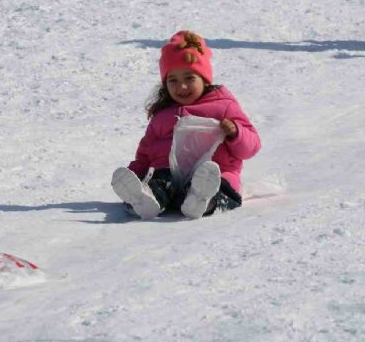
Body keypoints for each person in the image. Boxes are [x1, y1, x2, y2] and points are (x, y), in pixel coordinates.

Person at [111, 30, 261, 220]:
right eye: (173, 80)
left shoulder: (223, 106)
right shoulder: (162, 115)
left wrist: (235, 133)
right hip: (170, 176)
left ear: (205, 79)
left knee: (214, 184)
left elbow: (252, 147)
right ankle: (144, 200)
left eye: (189, 78)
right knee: (161, 182)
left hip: (214, 174)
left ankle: (203, 200)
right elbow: (146, 150)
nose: (181, 87)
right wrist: (135, 173)